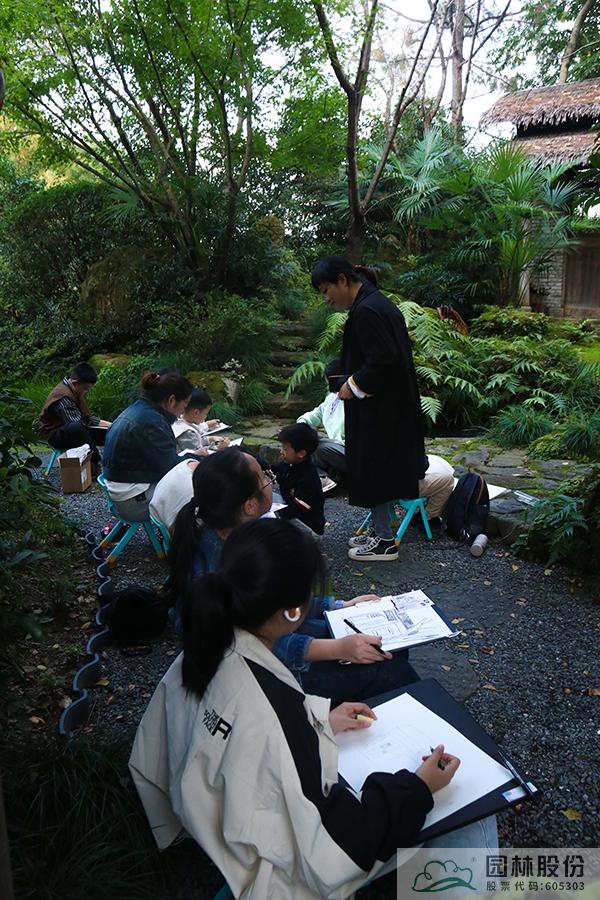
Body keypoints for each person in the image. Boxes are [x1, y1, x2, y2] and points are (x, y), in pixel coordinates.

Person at [129, 518, 497, 899]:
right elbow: (343, 847)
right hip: (276, 872)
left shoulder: (205, 649)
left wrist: (320, 719)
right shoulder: (274, 713)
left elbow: (245, 728)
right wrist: (419, 787)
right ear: (292, 612)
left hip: (212, 820)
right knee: (469, 808)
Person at [168, 448, 420, 704]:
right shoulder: (227, 566)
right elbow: (252, 643)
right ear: (249, 505)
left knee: (389, 646)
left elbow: (281, 607)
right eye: (264, 477)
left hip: (274, 646)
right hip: (264, 680)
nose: (271, 479)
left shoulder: (233, 539)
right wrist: (337, 649)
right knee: (390, 669)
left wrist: (341, 606)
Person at [311, 256, 425, 563]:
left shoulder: (367, 311)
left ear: (342, 280)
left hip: (381, 412)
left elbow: (384, 360)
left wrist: (353, 385)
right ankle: (379, 531)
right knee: (379, 470)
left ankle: (385, 541)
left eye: (326, 290)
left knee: (376, 471)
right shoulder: (375, 304)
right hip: (389, 409)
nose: (326, 298)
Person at [102, 371, 205, 522]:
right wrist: (196, 458)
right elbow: (171, 469)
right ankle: (198, 534)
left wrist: (192, 456)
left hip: (122, 493)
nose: (183, 412)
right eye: (184, 405)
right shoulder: (152, 422)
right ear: (171, 400)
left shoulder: (138, 410)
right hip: (133, 504)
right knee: (203, 489)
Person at [40, 362, 111, 476]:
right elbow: (78, 425)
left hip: (73, 429)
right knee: (78, 428)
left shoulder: (73, 390)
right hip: (56, 434)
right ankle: (98, 461)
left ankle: (116, 461)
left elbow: (86, 419)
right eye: (86, 389)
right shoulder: (64, 397)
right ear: (75, 383)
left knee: (108, 431)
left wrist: (111, 425)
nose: (87, 392)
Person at [297, 360, 346, 486]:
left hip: (353, 453)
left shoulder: (357, 400)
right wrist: (301, 425)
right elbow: (316, 414)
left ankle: (323, 478)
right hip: (336, 448)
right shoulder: (332, 397)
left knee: (315, 446)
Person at [272, 423, 325, 535]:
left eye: (285, 449)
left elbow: (300, 507)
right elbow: (273, 470)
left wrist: (275, 512)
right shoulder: (290, 464)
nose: (281, 451)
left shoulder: (308, 476)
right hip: (291, 511)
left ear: (301, 453)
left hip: (307, 525)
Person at [171, 387, 229, 453]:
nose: (206, 416)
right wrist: (218, 447)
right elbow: (198, 454)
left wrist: (210, 439)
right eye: (205, 414)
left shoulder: (180, 419)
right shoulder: (188, 433)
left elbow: (195, 441)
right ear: (196, 412)